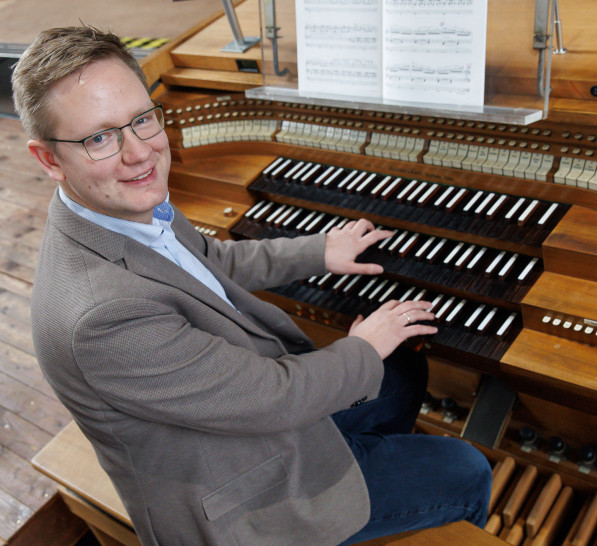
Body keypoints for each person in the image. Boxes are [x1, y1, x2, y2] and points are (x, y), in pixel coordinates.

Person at [13, 26, 492, 545]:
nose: (140, 153)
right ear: (48, 160)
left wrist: (318, 251)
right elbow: (277, 398)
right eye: (99, 137)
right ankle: (348, 505)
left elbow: (208, 262)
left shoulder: (122, 208)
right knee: (467, 469)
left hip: (254, 413)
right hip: (244, 495)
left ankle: (361, 495)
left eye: (141, 119)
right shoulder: (99, 317)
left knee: (401, 370)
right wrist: (362, 346)